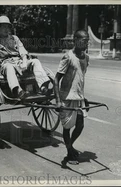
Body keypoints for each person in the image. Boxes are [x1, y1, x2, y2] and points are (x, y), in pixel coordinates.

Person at [0, 15, 51, 99]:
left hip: (19, 62)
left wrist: (25, 61)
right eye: (3, 27)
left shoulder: (14, 39)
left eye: (8, 27)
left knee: (35, 61)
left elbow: (23, 51)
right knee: (9, 67)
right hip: (5, 64)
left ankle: (43, 87)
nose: (6, 29)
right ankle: (17, 90)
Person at [54, 29, 90, 165]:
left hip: (79, 98)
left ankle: (70, 146)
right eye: (83, 40)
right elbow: (56, 79)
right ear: (75, 40)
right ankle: (69, 152)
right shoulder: (68, 57)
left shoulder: (86, 58)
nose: (86, 43)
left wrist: (83, 96)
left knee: (80, 124)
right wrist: (57, 100)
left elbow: (80, 78)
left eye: (87, 41)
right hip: (66, 98)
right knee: (67, 127)